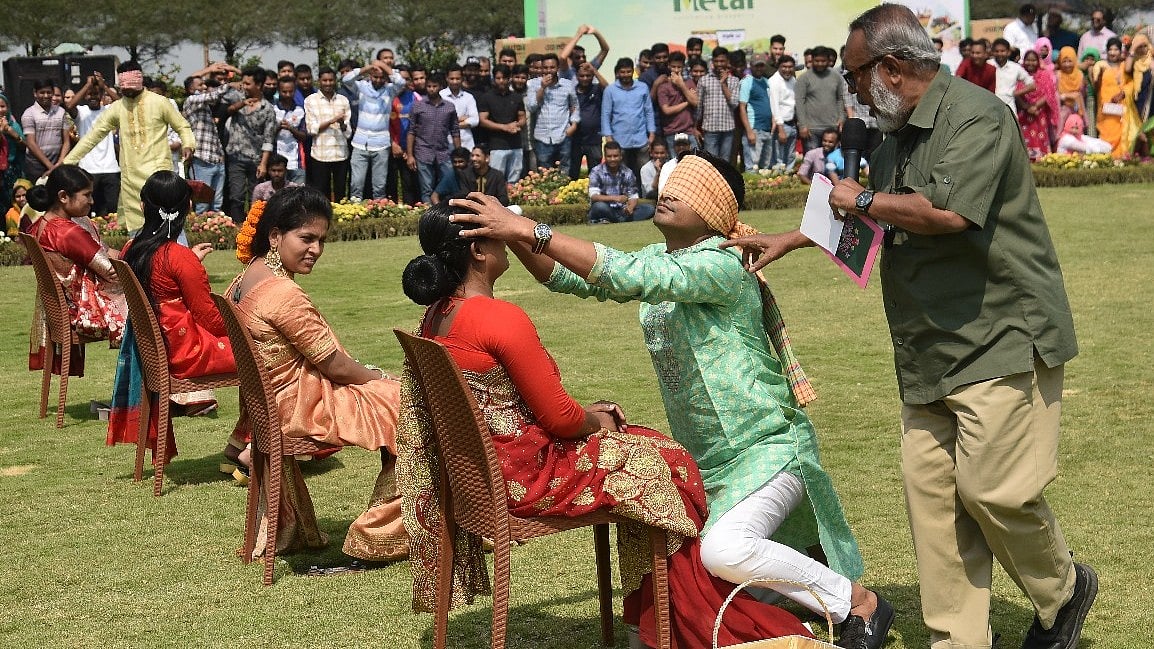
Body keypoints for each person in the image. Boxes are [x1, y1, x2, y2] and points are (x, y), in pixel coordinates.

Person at [729, 6, 1097, 647]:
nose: (849, 90)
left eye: (853, 75)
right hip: (928, 347)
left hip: (1001, 333)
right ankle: (958, 638)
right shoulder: (895, 136)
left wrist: (861, 196)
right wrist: (793, 237)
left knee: (994, 491)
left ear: (891, 69)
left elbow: (948, 213)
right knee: (934, 507)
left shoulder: (977, 116)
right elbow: (881, 220)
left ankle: (1063, 590)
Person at [449, 149, 891, 648]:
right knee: (696, 577)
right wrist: (514, 229)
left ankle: (857, 603)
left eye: (684, 191)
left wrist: (528, 228)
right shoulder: (669, 259)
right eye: (668, 187)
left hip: (768, 450)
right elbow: (567, 276)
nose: (667, 195)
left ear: (714, 211)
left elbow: (626, 274)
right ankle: (777, 602)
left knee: (721, 552)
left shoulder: (720, 265)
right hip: (712, 464)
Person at [397, 203, 827, 648]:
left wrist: (520, 228)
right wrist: (600, 418)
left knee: (648, 454)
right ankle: (677, 618)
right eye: (499, 236)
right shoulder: (498, 318)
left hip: (479, 479)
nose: (508, 241)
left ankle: (657, 616)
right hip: (528, 480)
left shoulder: (436, 316)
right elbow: (562, 420)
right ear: (481, 252)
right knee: (665, 463)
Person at [227, 185, 408, 560]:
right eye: (306, 238)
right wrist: (381, 379)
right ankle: (383, 534)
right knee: (410, 408)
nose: (316, 250)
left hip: (270, 403)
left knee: (397, 397)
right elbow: (334, 365)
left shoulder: (246, 278)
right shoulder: (282, 294)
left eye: (322, 240)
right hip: (298, 406)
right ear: (275, 236)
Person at [107, 171, 236, 465]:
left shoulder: (131, 249)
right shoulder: (178, 257)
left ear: (143, 206)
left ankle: (243, 445)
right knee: (264, 352)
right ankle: (247, 445)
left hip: (153, 352)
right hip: (183, 354)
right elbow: (211, 321)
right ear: (188, 208)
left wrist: (188, 261)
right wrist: (244, 321)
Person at [63, 61, 195, 234]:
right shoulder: (117, 108)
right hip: (132, 183)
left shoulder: (160, 102)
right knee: (139, 232)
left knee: (170, 226)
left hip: (159, 177)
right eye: (123, 90)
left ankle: (180, 260)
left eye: (130, 89)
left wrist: (189, 144)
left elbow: (182, 126)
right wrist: (68, 162)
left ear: (139, 82)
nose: (126, 93)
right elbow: (91, 138)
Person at [25, 165, 126, 375]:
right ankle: (137, 400)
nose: (92, 201)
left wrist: (134, 252)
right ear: (63, 196)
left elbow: (105, 252)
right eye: (86, 195)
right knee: (151, 314)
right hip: (84, 313)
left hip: (61, 312)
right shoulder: (67, 232)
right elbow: (110, 271)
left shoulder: (41, 225)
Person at [304, 67, 352, 202]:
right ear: (319, 81)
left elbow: (348, 133)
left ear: (335, 81)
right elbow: (311, 129)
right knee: (320, 192)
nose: (328, 83)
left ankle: (342, 219)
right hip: (320, 154)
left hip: (340, 153)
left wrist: (342, 123)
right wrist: (332, 120)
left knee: (340, 192)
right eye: (325, 80)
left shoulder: (343, 100)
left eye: (331, 80)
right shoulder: (311, 100)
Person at [1091, 37, 1139, 157]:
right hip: (1105, 111)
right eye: (1110, 49)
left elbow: (1132, 83)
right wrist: (1100, 75)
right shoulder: (1100, 65)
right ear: (1106, 51)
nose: (1113, 52)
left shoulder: (1125, 67)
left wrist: (1122, 94)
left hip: (1121, 111)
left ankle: (1120, 162)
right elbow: (1095, 88)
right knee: (1106, 138)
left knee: (1122, 137)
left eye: (1116, 49)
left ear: (1120, 51)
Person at [586, 141, 654, 223]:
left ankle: (613, 220)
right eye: (609, 156)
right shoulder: (596, 171)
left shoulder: (628, 172)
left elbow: (633, 196)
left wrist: (630, 208)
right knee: (599, 206)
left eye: (615, 156)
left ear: (621, 156)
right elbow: (593, 196)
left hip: (622, 210)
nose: (612, 159)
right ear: (605, 157)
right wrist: (615, 198)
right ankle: (619, 219)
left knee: (649, 208)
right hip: (605, 207)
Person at [21, 79, 71, 181]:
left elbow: (66, 141)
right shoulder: (28, 114)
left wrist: (59, 164)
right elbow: (31, 143)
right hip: (36, 166)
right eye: (42, 92)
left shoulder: (61, 112)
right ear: (35, 93)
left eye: (49, 92)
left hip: (58, 162)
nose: (46, 95)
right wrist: (50, 167)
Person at [1019, 50, 1058, 159]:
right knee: (1024, 139)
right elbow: (1015, 92)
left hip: (1039, 113)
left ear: (1038, 61)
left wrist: (1035, 106)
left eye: (1033, 60)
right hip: (1024, 113)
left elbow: (1049, 94)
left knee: (1040, 138)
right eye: (1028, 60)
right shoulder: (1020, 74)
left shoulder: (1044, 75)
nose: (1030, 63)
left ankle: (1040, 162)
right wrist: (1027, 107)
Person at [768, 55, 798, 168]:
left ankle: (789, 176)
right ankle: (779, 178)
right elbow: (774, 106)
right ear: (778, 67)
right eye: (784, 66)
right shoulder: (774, 81)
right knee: (779, 155)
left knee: (790, 154)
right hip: (782, 124)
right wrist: (781, 130)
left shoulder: (793, 80)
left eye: (790, 67)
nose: (787, 69)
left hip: (792, 122)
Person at [1, 92, 28, 212]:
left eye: (2, 106)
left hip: (13, 171)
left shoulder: (14, 126)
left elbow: (24, 147)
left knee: (14, 203)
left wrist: (11, 132)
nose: (0, 110)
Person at [1056, 46, 1087, 130]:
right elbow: (1055, 95)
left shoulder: (1080, 75)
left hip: (1077, 111)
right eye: (1064, 61)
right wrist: (1067, 96)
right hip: (1062, 109)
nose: (1067, 64)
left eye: (1070, 61)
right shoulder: (1058, 75)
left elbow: (1082, 95)